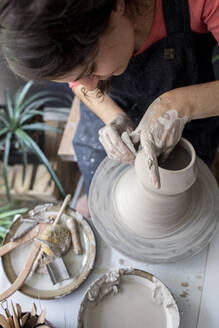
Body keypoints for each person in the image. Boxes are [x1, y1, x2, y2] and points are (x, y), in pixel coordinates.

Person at [1, 0, 219, 197]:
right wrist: (113, 116)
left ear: (116, 6)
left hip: (191, 108)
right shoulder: (71, 51)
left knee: (185, 189)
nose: (91, 85)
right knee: (101, 178)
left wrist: (176, 106)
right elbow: (79, 84)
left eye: (91, 69)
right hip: (115, 103)